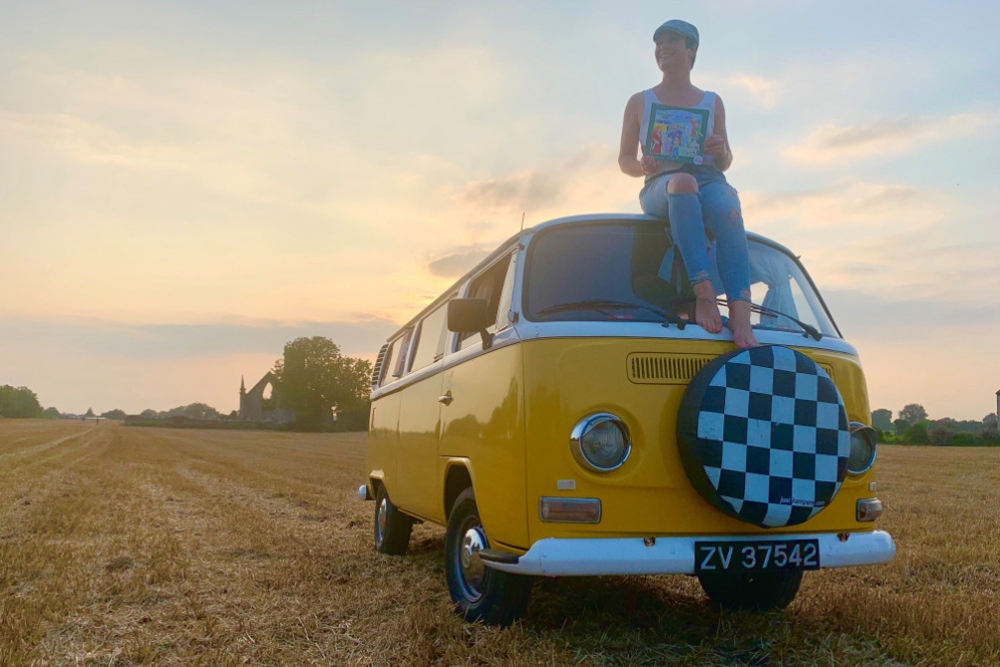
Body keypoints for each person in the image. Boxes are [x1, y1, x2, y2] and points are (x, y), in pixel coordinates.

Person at [618, 19, 758, 348]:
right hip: (660, 185)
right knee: (681, 182)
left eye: (673, 41)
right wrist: (641, 166)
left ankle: (741, 314)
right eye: (659, 43)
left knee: (727, 208)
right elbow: (624, 160)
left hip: (709, 179)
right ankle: (703, 292)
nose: (663, 47)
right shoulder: (640, 101)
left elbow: (725, 160)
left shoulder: (712, 101)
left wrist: (721, 150)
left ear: (692, 50)